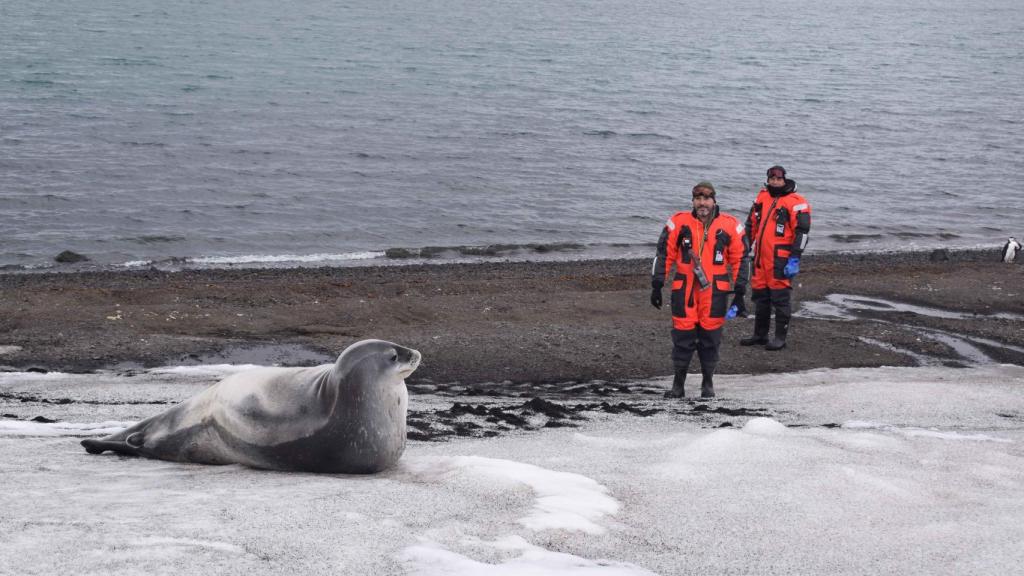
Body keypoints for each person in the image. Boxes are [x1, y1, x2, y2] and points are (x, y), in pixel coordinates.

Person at [650, 181, 749, 398]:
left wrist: (740, 292)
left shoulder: (731, 225)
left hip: (715, 292)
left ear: (714, 200)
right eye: (698, 199)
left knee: (710, 338)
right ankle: (678, 385)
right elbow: (664, 254)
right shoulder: (678, 222)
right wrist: (657, 285)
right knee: (682, 337)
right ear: (693, 201)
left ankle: (708, 383)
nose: (702, 203)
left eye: (706, 198)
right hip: (684, 289)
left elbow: (741, 259)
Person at [737, 165, 812, 351]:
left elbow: (802, 233)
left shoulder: (796, 202)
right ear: (768, 179)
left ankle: (780, 338)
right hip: (761, 258)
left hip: (781, 259)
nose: (775, 182)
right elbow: (751, 225)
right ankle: (760, 335)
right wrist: (743, 248)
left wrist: (795, 258)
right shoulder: (762, 197)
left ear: (784, 180)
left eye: (778, 179)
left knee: (780, 299)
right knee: (761, 298)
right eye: (772, 179)